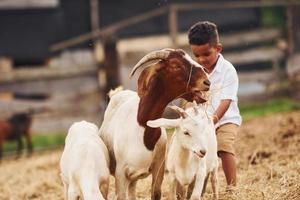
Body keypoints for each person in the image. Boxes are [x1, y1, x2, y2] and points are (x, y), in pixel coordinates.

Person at [186, 21, 242, 188]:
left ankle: (232, 187)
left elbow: (227, 99)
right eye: (196, 55)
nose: (201, 59)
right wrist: (190, 106)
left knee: (224, 145)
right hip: (202, 122)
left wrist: (213, 119)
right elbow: (190, 96)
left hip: (225, 120)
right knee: (198, 151)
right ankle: (196, 189)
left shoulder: (228, 70)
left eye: (206, 54)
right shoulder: (194, 71)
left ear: (218, 48)